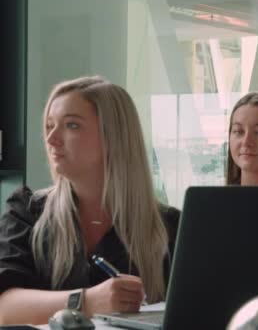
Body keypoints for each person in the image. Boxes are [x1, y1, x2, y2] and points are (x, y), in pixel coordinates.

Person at [0, 76, 179, 325]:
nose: (51, 139)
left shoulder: (171, 227)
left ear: (113, 136)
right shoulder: (27, 211)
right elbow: (4, 306)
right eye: (49, 125)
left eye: (71, 125)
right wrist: (87, 301)